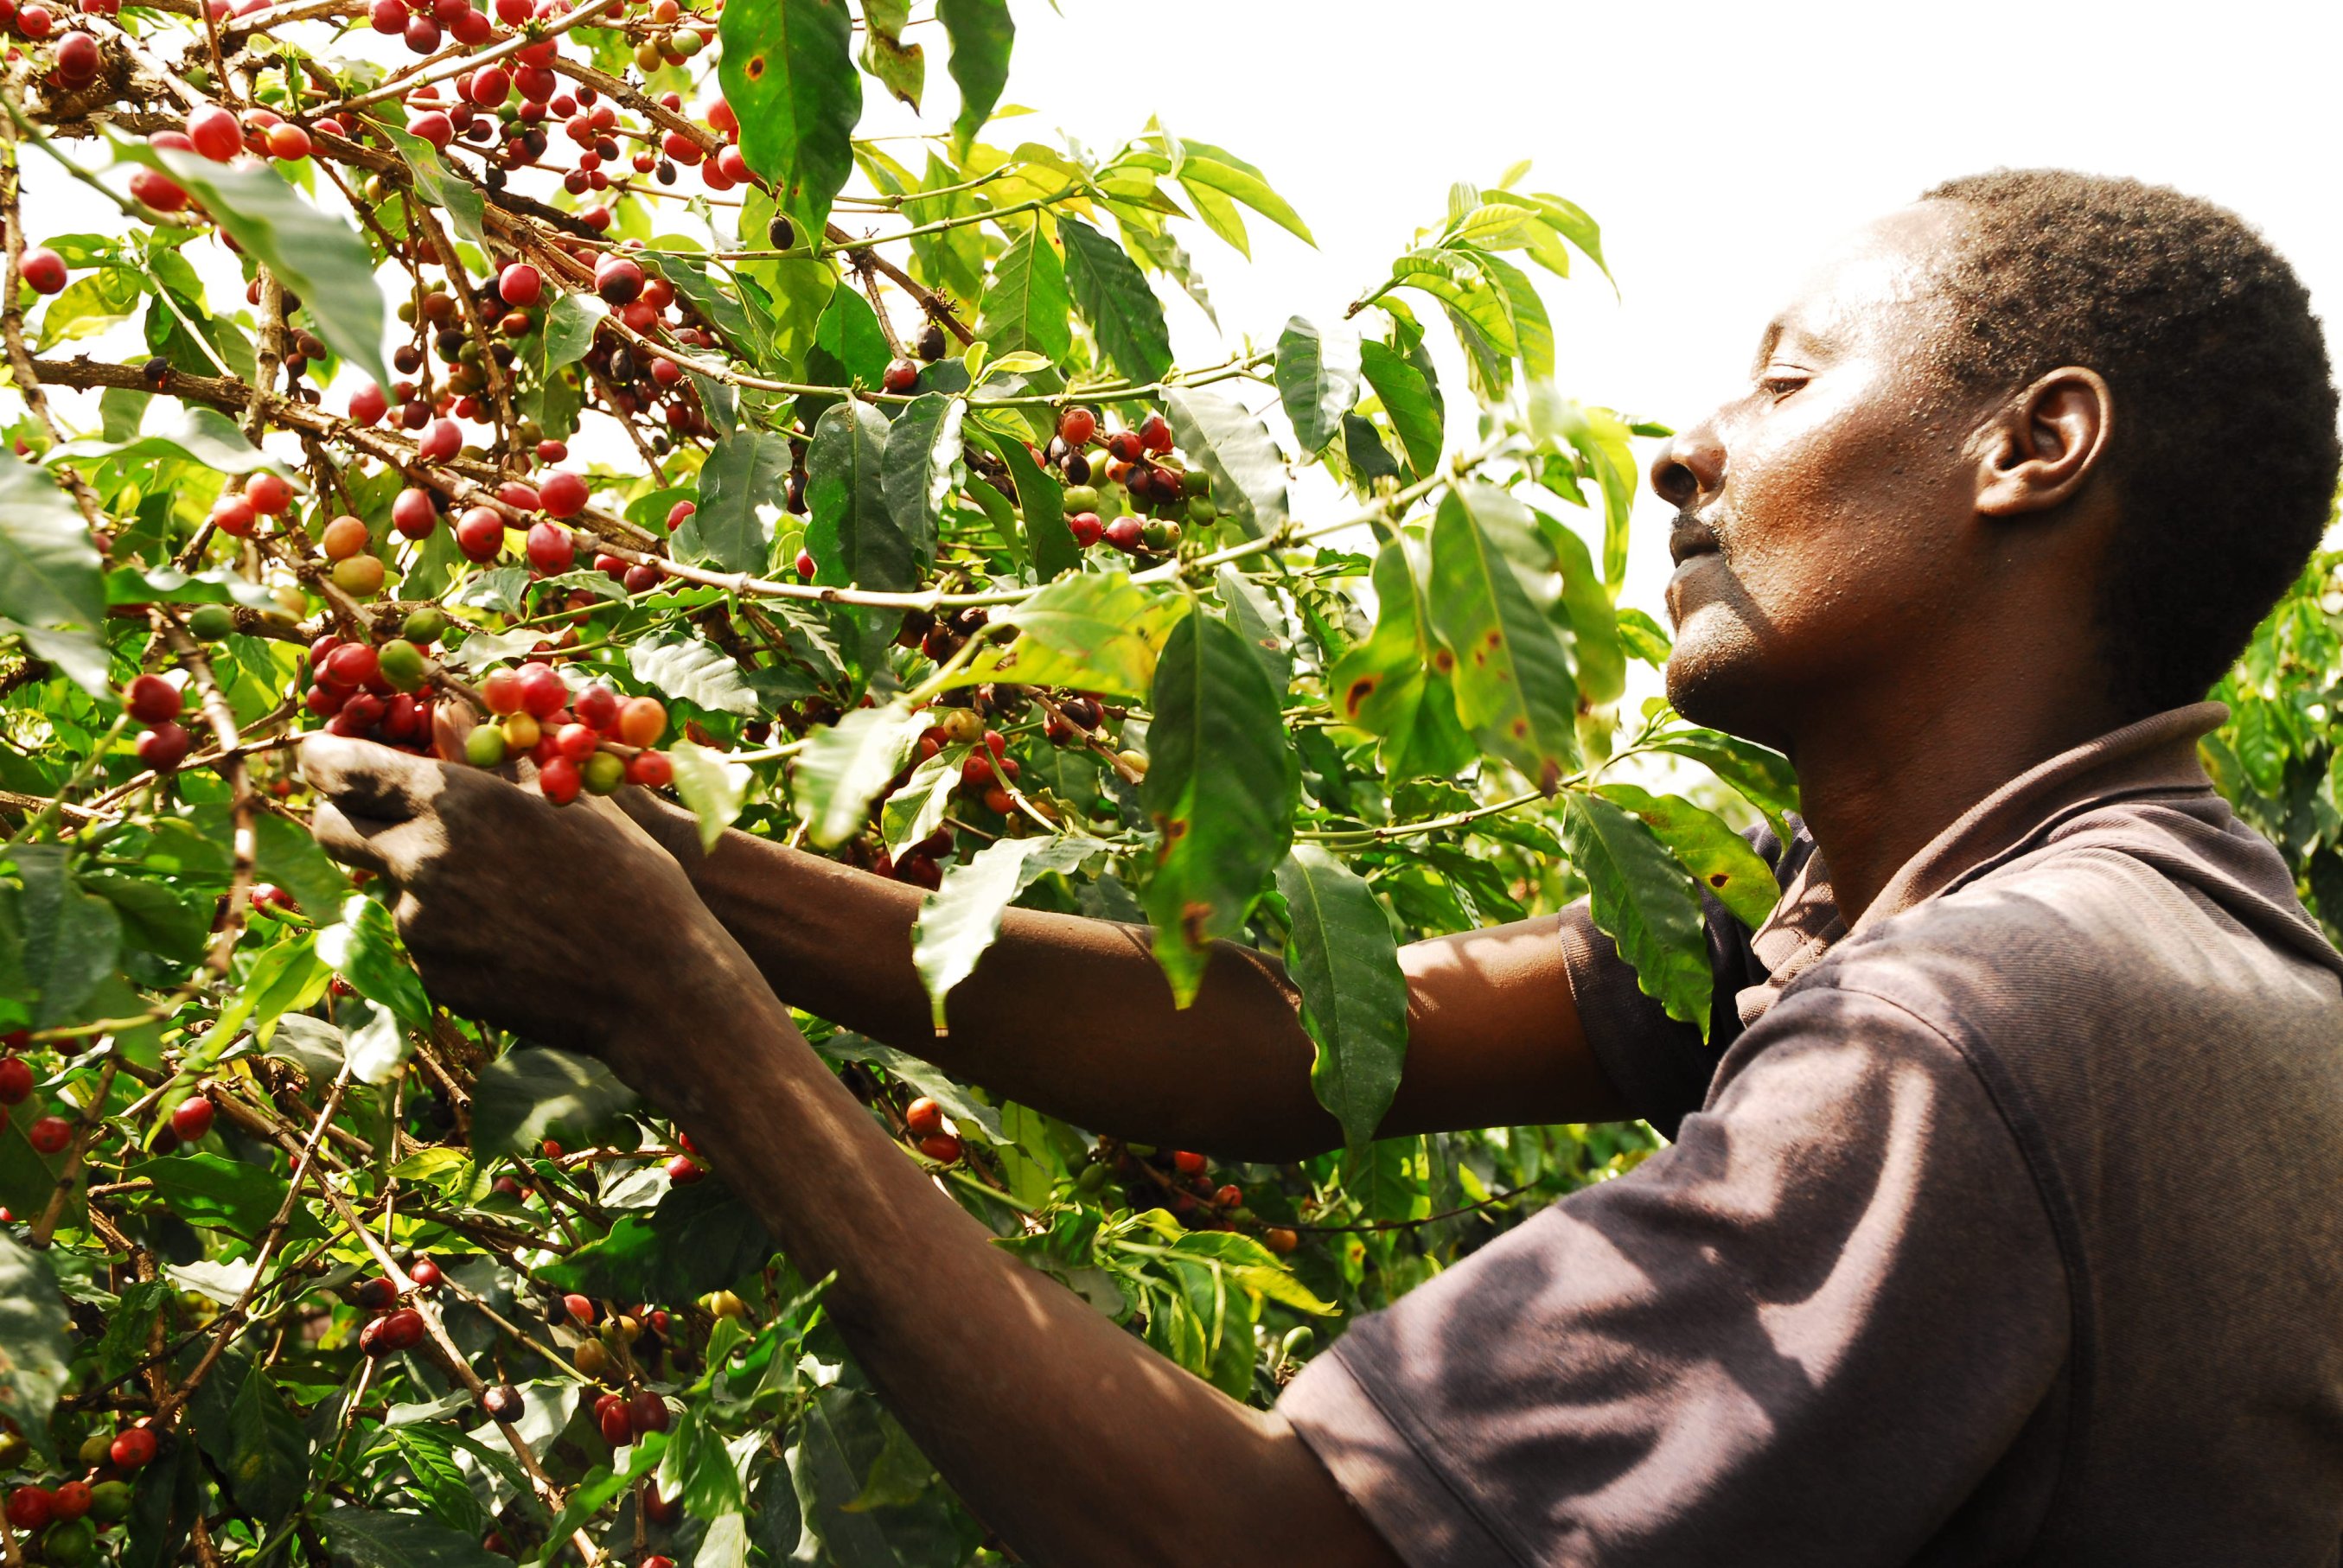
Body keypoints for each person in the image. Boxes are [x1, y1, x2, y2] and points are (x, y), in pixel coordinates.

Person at [302, 169, 2343, 1565]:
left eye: (1788, 379)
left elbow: (1263, 1543)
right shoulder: (2091, 917)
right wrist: (688, 871)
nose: (1681, 448)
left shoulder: (1963, 1023)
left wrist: (671, 1006)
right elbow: (1289, 1052)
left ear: (2029, 447)